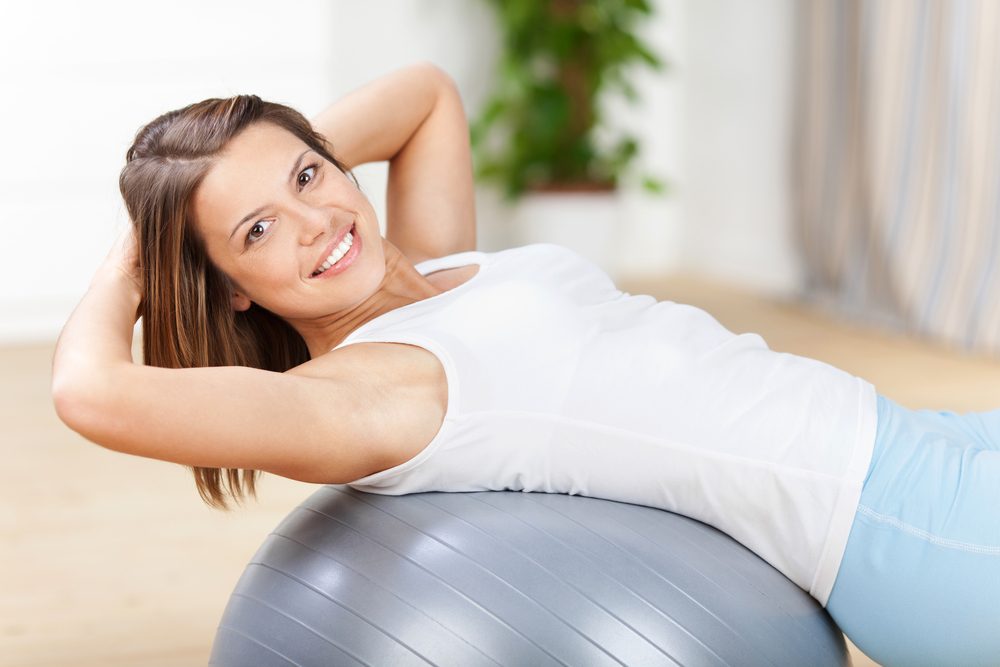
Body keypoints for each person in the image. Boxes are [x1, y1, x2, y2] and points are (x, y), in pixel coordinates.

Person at [51, 63, 999, 666]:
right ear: (230, 288)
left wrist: (252, 161)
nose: (318, 223)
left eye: (309, 176)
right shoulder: (367, 395)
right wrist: (147, 238)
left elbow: (426, 95)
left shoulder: (433, 266)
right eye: (259, 232)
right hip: (907, 533)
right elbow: (89, 391)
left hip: (920, 445)